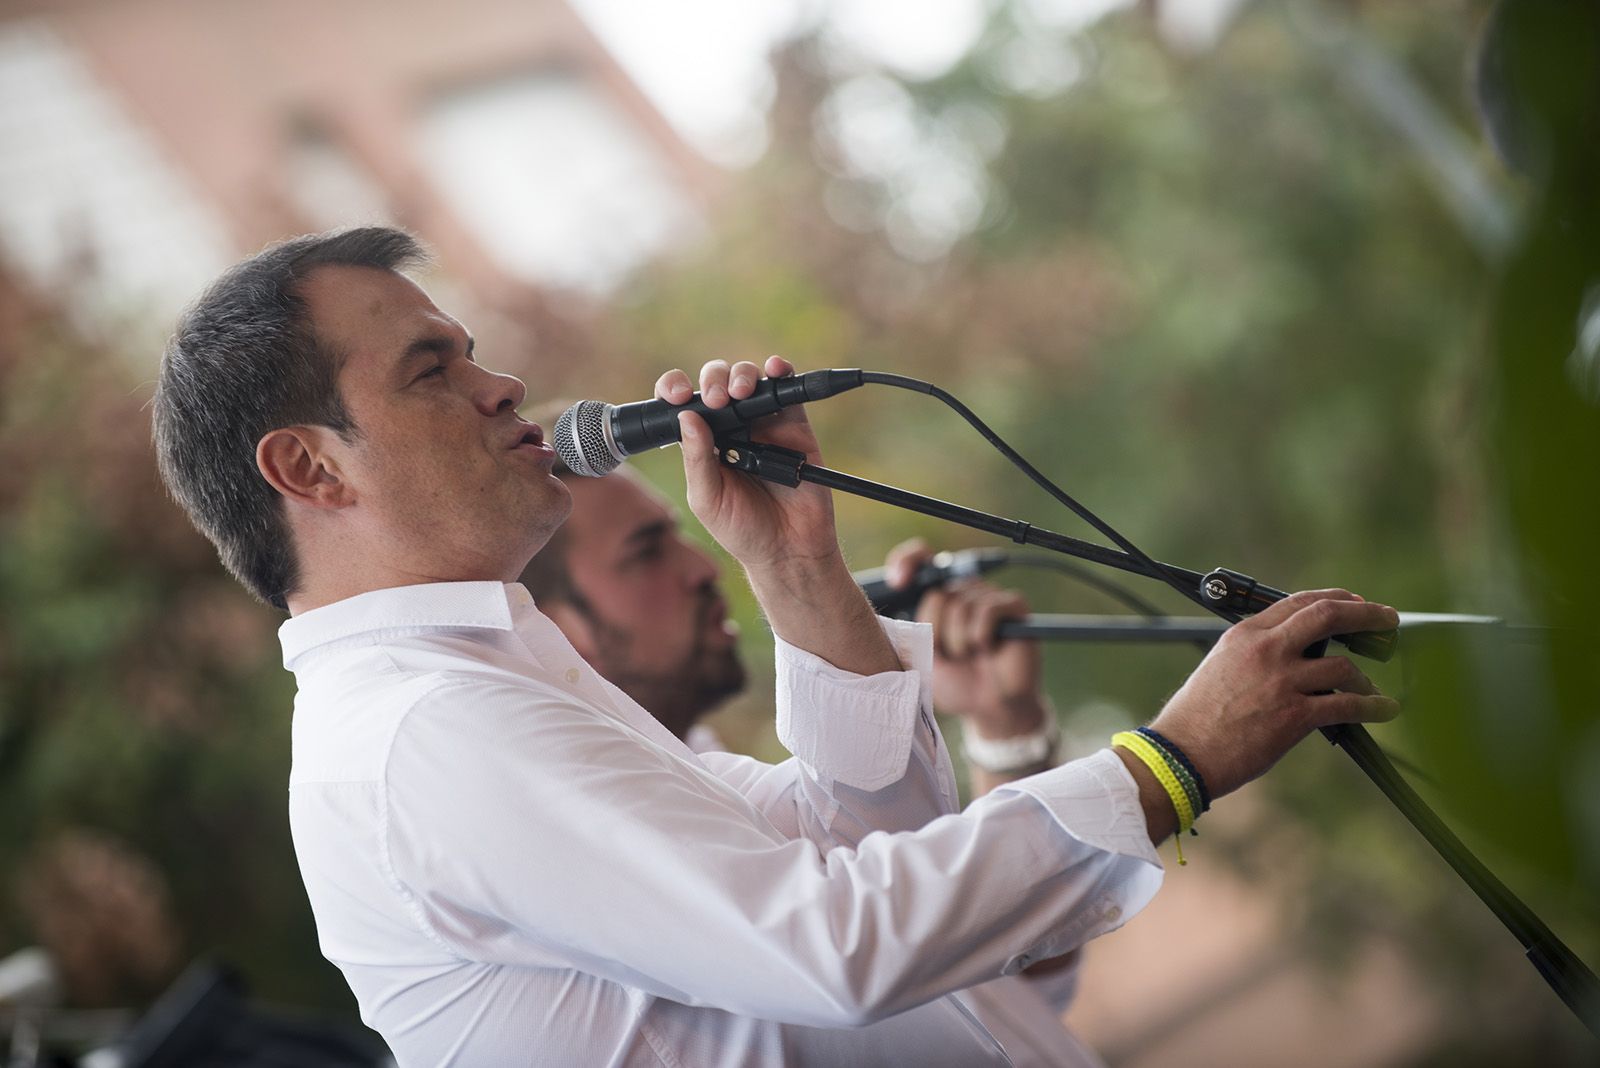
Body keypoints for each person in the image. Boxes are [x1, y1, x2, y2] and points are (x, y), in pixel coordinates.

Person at [152, 226, 1401, 1066]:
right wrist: (1167, 762)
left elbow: (860, 843)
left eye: (475, 352)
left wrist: (795, 564)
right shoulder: (422, 732)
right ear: (309, 466)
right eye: (433, 370)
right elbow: (835, 949)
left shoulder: (488, 679)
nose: (503, 385)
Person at [519, 459, 1103, 1066]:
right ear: (554, 631)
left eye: (678, 536)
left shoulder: (727, 773)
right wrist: (1176, 759)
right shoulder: (620, 862)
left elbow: (1008, 974)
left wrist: (1003, 723)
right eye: (647, 552)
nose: (704, 567)